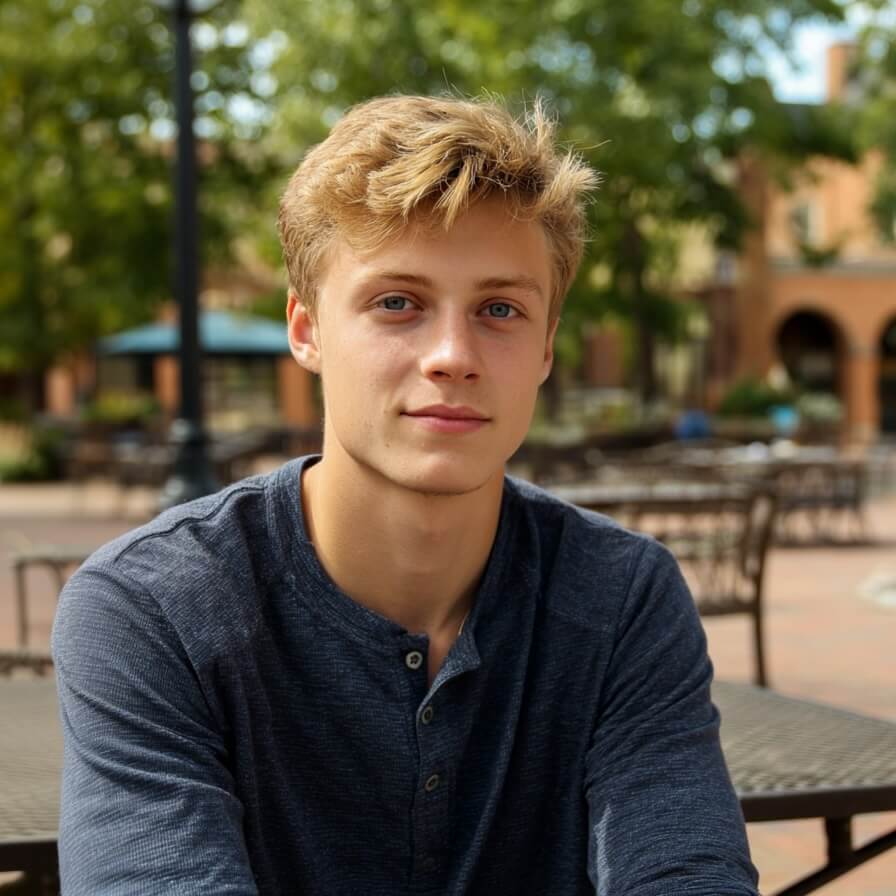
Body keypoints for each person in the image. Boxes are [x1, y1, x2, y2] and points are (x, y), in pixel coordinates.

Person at [53, 94, 759, 895]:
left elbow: (686, 873)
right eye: (398, 303)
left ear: (547, 349)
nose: (452, 355)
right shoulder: (152, 610)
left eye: (500, 309)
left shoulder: (621, 597)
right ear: (307, 328)